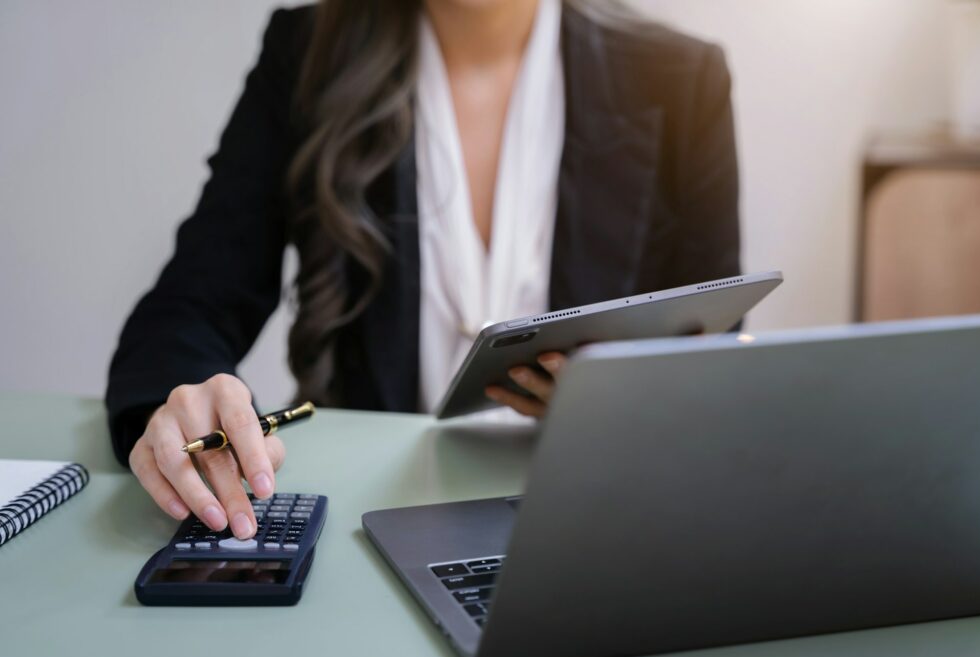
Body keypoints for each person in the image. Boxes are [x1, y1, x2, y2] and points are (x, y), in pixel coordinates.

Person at [106, 0, 740, 540]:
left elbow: (712, 350)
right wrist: (179, 407)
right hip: (371, 523)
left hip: (604, 520)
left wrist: (622, 397)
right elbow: (194, 302)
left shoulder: (681, 79)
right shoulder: (306, 55)